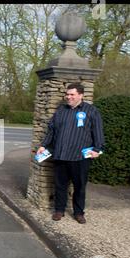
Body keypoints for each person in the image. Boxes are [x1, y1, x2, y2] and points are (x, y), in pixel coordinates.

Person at [36, 83, 105, 224]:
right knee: (60, 185)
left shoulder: (91, 111)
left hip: (80, 158)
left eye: (72, 94)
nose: (69, 97)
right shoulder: (61, 111)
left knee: (79, 187)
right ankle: (59, 210)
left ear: (81, 95)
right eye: (67, 94)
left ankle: (79, 213)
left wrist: (98, 149)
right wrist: (43, 145)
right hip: (61, 155)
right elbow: (52, 130)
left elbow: (98, 132)